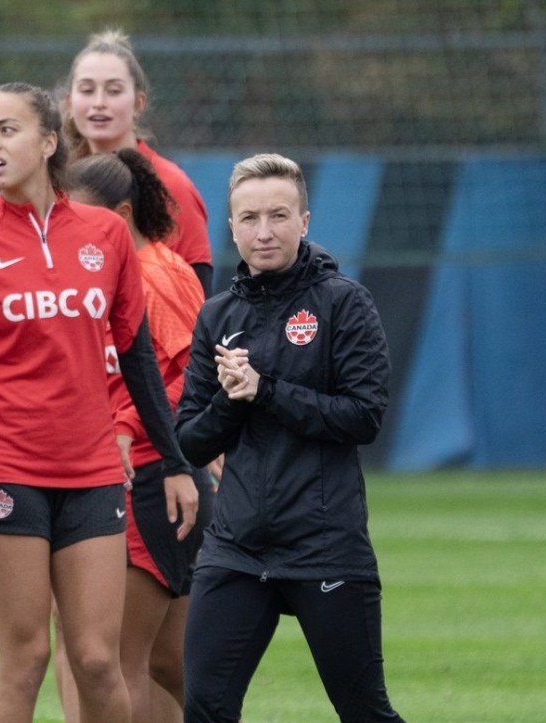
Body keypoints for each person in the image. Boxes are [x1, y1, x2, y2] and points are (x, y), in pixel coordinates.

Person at [0, 81, 197, 723]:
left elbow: (138, 360)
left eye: (5, 130)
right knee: (28, 658)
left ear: (47, 141)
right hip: (3, 467)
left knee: (97, 659)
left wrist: (175, 463)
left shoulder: (105, 236)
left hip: (93, 471)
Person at [177, 153, 405, 723]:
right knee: (205, 705)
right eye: (248, 218)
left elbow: (364, 416)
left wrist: (266, 390)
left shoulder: (344, 303)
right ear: (230, 227)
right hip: (236, 546)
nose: (263, 231)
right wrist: (231, 399)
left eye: (278, 215)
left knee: (363, 710)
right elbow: (189, 444)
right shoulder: (217, 316)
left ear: (305, 220)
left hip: (324, 542)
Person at [50, 149, 213, 723]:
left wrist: (125, 428)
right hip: (140, 478)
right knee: (171, 663)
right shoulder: (115, 276)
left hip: (153, 480)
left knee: (118, 661)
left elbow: (197, 383)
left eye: (80, 216)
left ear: (121, 215)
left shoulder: (156, 274)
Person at [62, 29, 214, 297]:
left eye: (114, 90)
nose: (99, 103)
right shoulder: (56, 184)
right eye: (87, 90)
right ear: (69, 102)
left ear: (139, 103)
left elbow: (197, 299)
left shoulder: (170, 185)